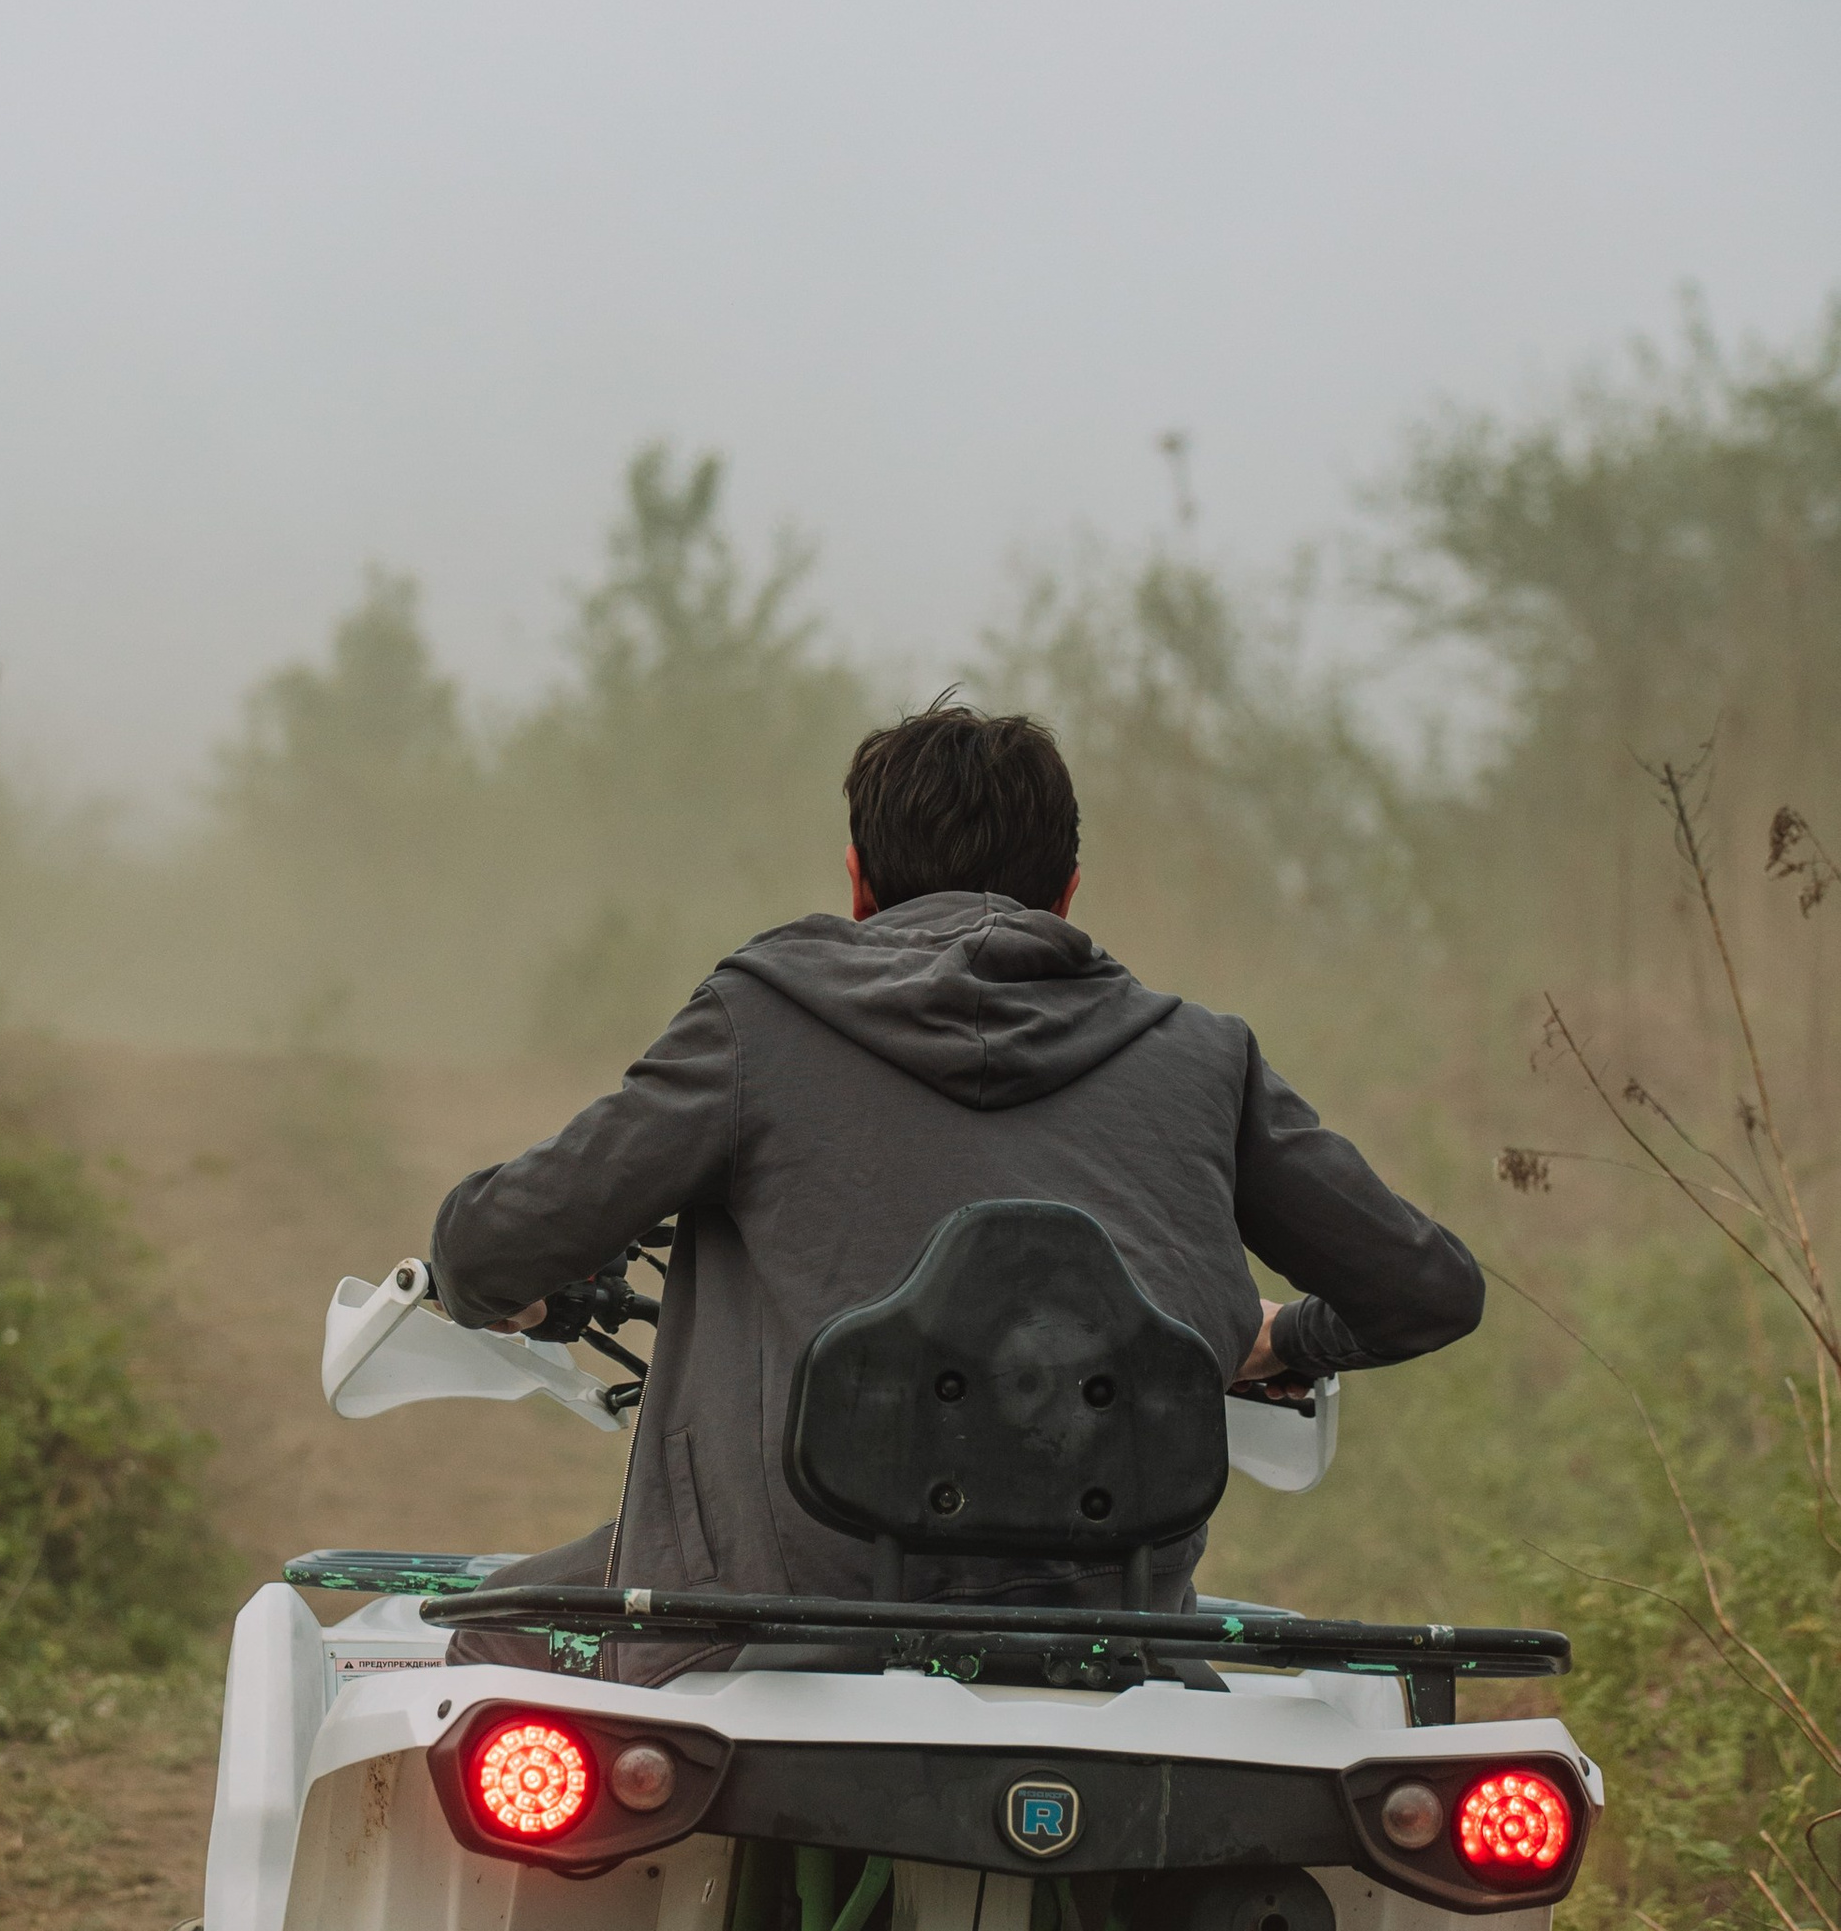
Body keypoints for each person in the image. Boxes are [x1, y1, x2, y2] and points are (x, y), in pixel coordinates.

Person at [430, 702, 1480, 1649]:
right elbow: (1425, 1291)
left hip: (770, 1613)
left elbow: (486, 1252)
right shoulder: (1206, 1059)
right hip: (1115, 1633)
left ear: (858, 883)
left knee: (491, 1636)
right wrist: (1281, 1338)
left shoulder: (758, 1025)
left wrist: (512, 1285)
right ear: (1066, 894)